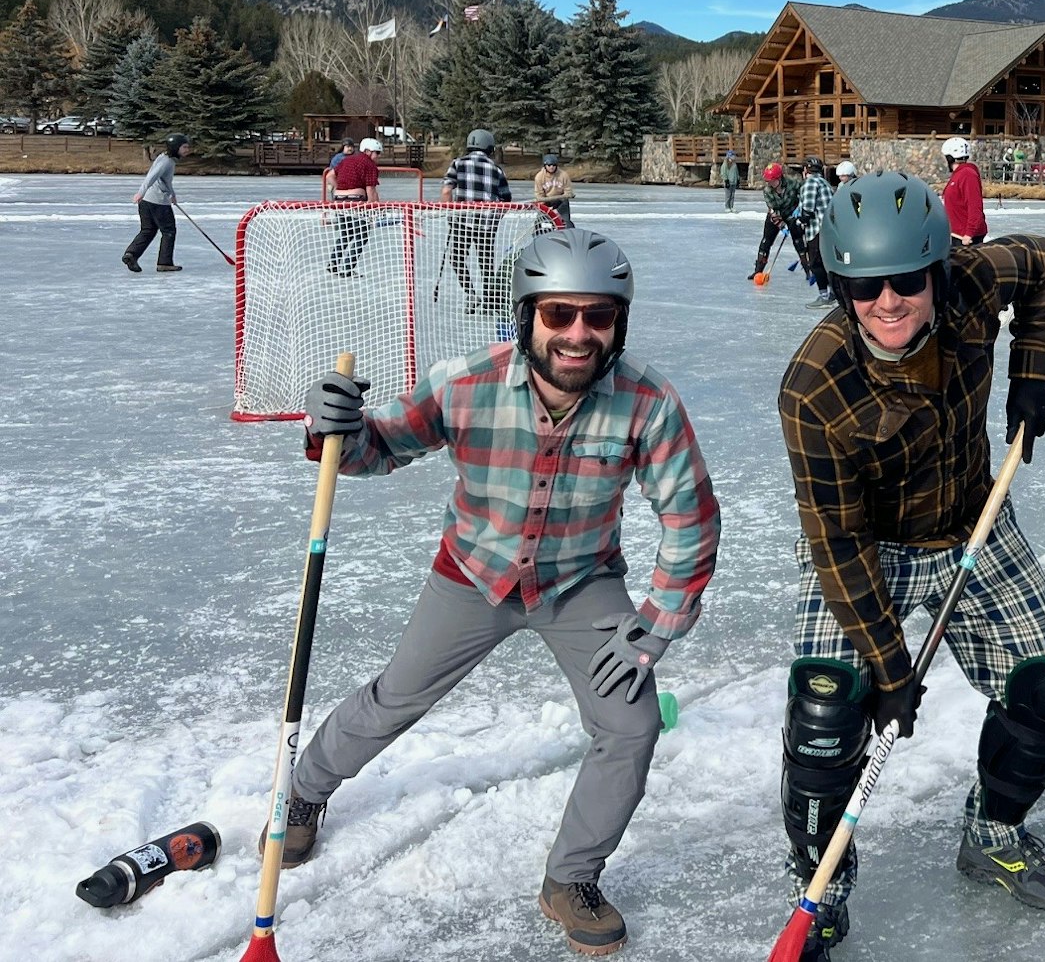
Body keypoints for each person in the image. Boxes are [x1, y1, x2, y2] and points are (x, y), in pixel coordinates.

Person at [285, 229, 720, 956]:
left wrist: (658, 620)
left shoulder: (648, 402)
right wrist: (332, 426)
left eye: (598, 316)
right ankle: (305, 790)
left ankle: (571, 879)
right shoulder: (465, 381)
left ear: (619, 321)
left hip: (581, 583)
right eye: (558, 315)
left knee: (632, 726)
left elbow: (690, 516)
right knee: (396, 696)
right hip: (473, 575)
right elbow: (378, 446)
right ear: (527, 317)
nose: (578, 334)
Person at [775, 171, 1045, 956]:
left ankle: (993, 833)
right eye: (864, 285)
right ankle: (820, 887)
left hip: (972, 520)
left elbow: (1044, 264)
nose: (889, 302)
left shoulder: (975, 283)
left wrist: (1031, 376)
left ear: (937, 273)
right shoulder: (815, 385)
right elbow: (837, 544)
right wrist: (888, 671)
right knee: (827, 713)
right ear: (841, 284)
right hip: (870, 548)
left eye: (907, 281)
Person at [442, 129, 512, 313]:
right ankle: (490, 300)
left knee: (457, 258)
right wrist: (495, 219)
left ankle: (471, 294)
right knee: (486, 263)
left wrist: (451, 213)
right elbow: (506, 200)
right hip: (487, 225)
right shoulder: (496, 169)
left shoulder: (458, 163)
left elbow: (447, 191)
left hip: (462, 221)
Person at [123, 132, 190, 273]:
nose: (187, 150)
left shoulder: (164, 158)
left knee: (148, 230)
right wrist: (140, 192)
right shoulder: (166, 161)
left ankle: (131, 254)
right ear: (175, 147)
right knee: (169, 231)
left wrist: (172, 194)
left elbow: (164, 180)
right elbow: (151, 177)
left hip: (147, 201)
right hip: (157, 202)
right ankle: (164, 263)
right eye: (184, 147)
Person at [327, 137, 383, 277]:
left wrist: (340, 187)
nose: (378, 157)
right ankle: (347, 268)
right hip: (356, 201)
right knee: (361, 235)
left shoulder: (346, 160)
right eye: (377, 153)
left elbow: (329, 176)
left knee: (346, 233)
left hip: (339, 200)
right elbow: (371, 190)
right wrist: (374, 208)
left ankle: (333, 263)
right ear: (368, 151)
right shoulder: (369, 165)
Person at [751, 162, 803, 281]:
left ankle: (808, 270)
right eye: (767, 180)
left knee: (798, 241)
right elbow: (773, 210)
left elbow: (804, 194)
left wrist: (800, 208)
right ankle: (758, 270)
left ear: (779, 178)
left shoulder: (793, 183)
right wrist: (782, 226)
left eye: (771, 180)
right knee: (765, 242)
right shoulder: (767, 191)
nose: (768, 183)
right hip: (776, 216)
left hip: (792, 214)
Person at [796, 154, 835, 303]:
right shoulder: (824, 182)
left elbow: (807, 210)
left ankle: (825, 296)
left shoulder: (810, 183)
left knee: (816, 263)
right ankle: (833, 293)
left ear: (806, 169)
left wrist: (798, 222)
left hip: (817, 229)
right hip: (830, 229)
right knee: (827, 262)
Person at [941, 136, 988, 245]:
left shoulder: (967, 174)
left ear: (950, 157)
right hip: (955, 234)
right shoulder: (958, 174)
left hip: (965, 238)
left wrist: (969, 234)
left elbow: (974, 205)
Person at [535, 153, 575, 229]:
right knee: (540, 223)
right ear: (545, 166)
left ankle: (568, 233)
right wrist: (545, 204)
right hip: (546, 201)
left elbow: (568, 191)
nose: (551, 167)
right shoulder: (539, 177)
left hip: (561, 201)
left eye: (554, 165)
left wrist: (565, 196)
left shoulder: (563, 175)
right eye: (549, 165)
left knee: (566, 221)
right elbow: (539, 195)